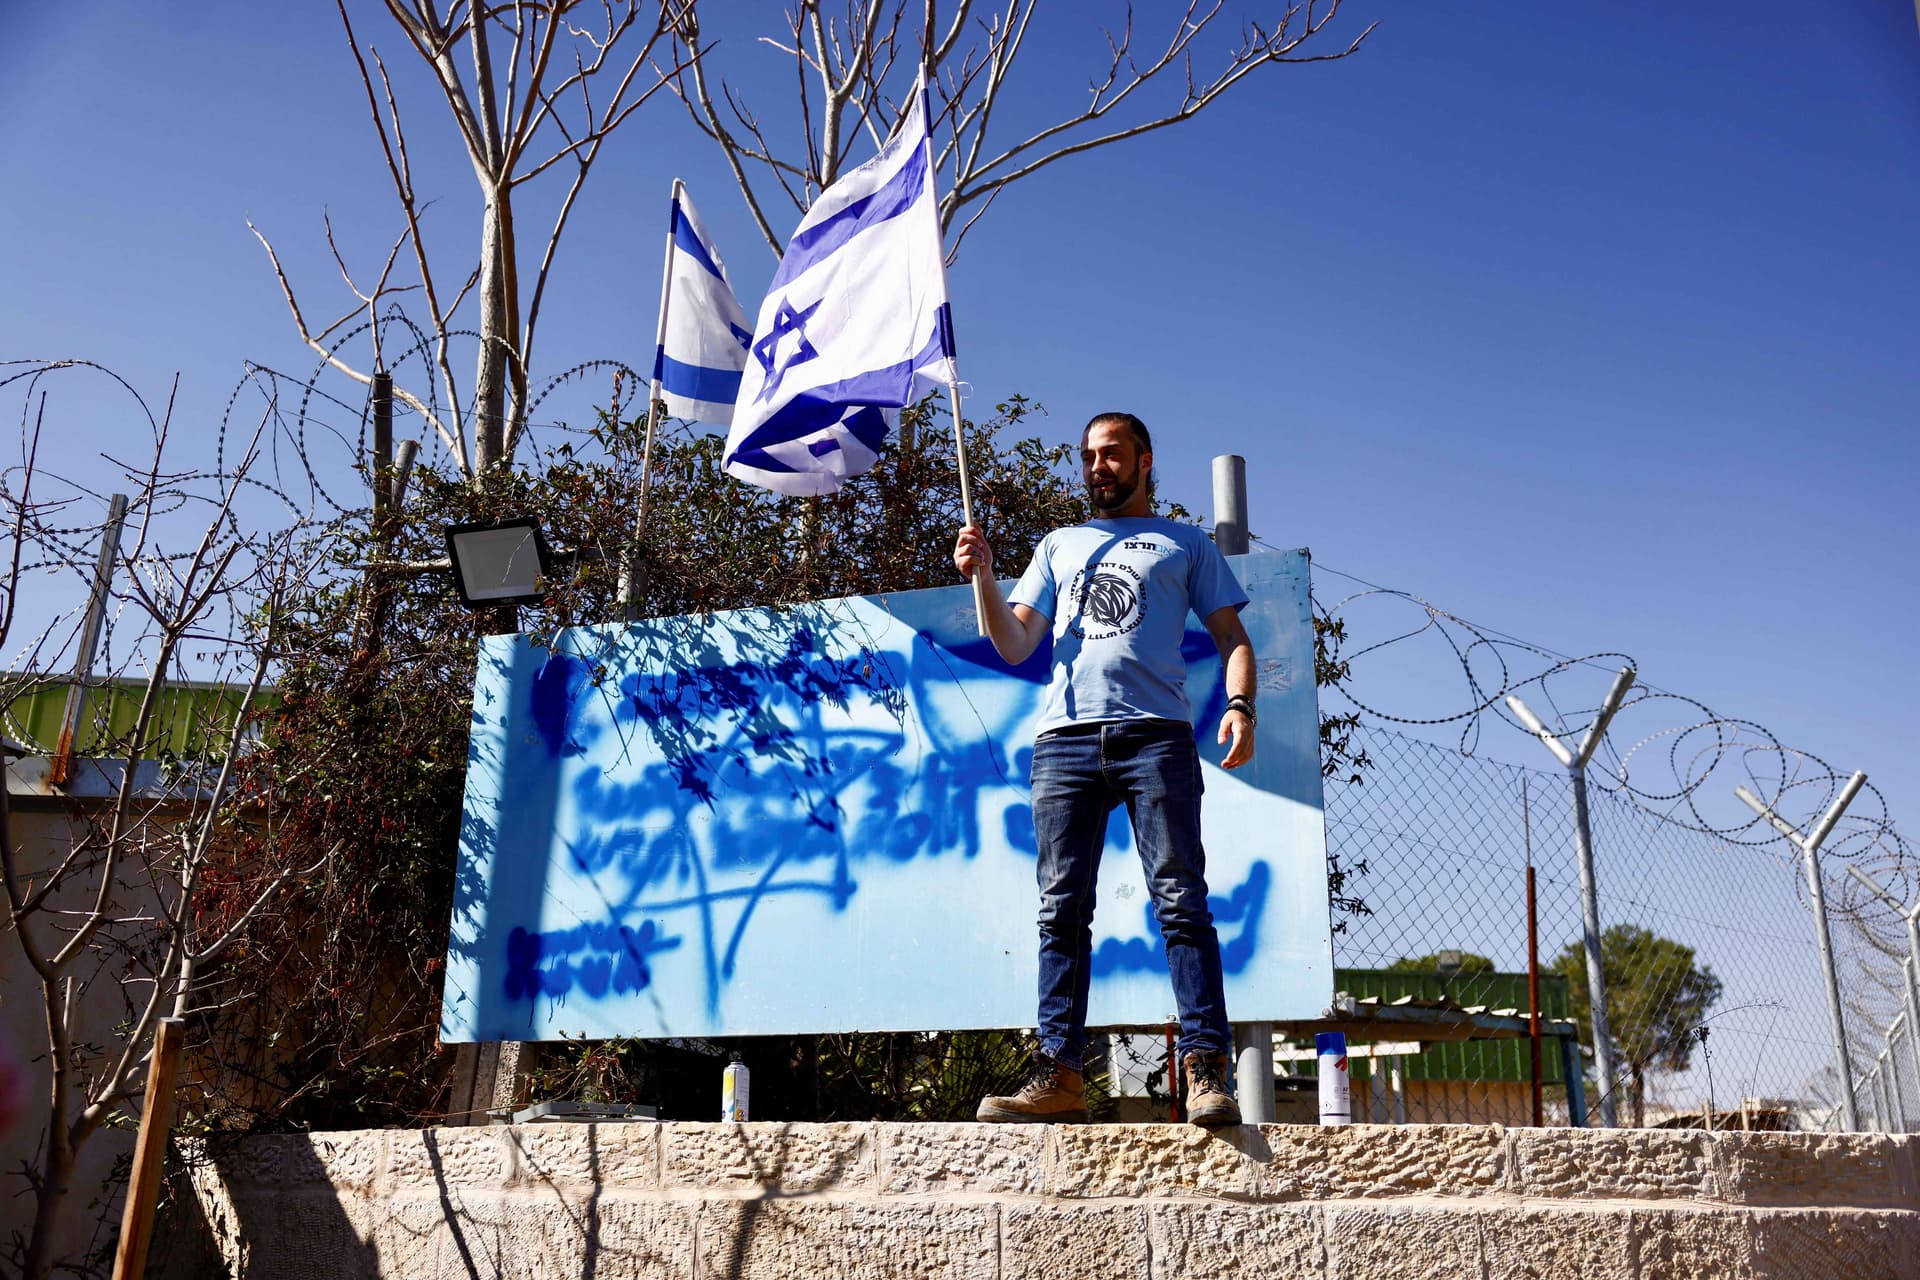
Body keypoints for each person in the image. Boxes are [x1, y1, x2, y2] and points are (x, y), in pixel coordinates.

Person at [952, 411, 1257, 1127]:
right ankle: (1059, 1073)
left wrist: (1239, 704)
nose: (1098, 467)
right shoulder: (1059, 545)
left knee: (1180, 898)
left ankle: (1207, 1071)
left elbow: (1234, 640)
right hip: (1063, 741)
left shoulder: (1184, 543)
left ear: (1144, 461)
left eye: (1112, 454)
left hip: (1157, 737)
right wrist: (986, 578)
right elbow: (1017, 642)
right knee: (1061, 909)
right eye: (1089, 456)